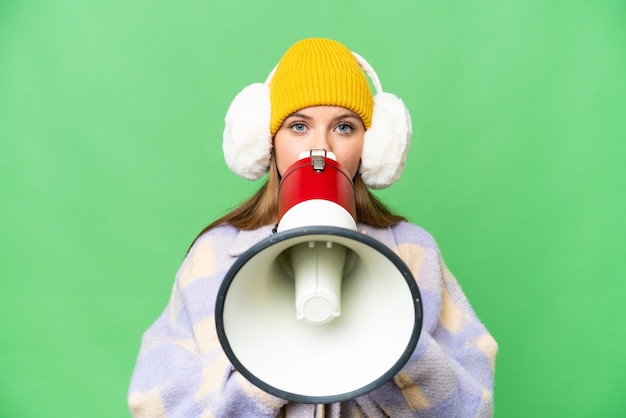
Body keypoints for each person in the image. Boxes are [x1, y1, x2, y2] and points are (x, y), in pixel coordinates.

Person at [128, 38, 498, 418]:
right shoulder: (215, 255)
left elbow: (471, 408)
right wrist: (267, 368)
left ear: (372, 146)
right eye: (299, 126)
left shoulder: (414, 252)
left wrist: (397, 343)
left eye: (344, 126)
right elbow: (156, 406)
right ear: (267, 141)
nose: (320, 148)